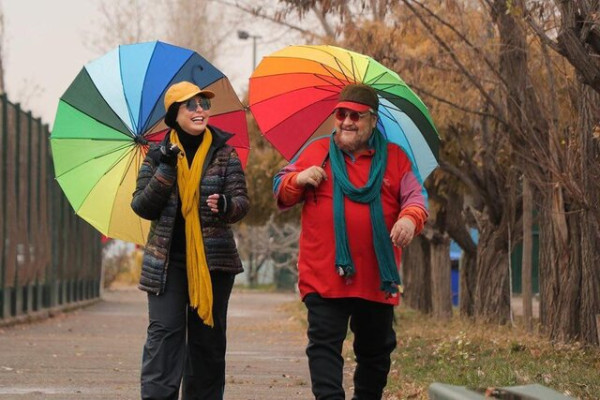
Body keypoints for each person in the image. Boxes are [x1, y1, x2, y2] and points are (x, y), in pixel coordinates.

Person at [273, 84, 428, 400]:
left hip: (376, 279)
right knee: (324, 346)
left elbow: (416, 197)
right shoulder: (316, 152)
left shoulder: (396, 159)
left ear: (372, 120)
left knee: (376, 352)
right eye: (341, 114)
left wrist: (409, 219)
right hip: (323, 276)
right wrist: (298, 179)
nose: (346, 121)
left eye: (355, 116)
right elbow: (281, 190)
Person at [131, 80, 249, 400]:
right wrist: (166, 169)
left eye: (204, 104)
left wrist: (225, 205)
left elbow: (241, 203)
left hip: (213, 265)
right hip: (167, 265)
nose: (201, 110)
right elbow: (142, 206)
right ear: (174, 114)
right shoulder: (157, 156)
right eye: (192, 105)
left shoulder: (224, 153)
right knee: (164, 337)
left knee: (207, 343)